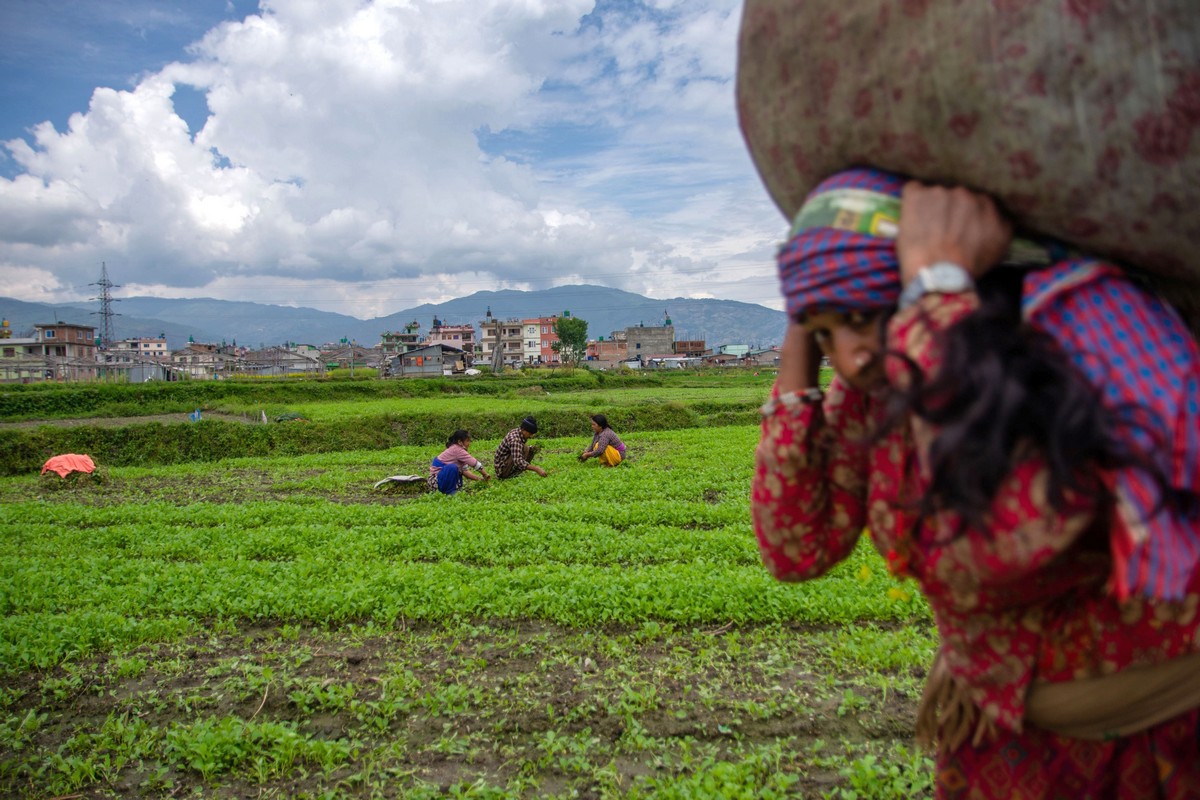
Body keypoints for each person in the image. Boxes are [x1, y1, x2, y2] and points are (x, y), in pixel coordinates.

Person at [751, 167, 1200, 798]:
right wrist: (806, 334)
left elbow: (994, 547)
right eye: (829, 336)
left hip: (1152, 746)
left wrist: (934, 292)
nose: (850, 358)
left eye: (859, 317)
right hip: (1001, 745)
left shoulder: (1052, 349)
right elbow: (796, 546)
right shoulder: (874, 396)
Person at [428, 429, 488, 495]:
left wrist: (480, 479)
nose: (469, 444)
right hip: (436, 481)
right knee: (452, 467)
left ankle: (452, 489)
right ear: (460, 442)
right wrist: (485, 474)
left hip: (441, 478)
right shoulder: (457, 450)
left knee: (457, 470)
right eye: (467, 441)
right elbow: (474, 463)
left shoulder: (458, 451)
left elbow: (465, 471)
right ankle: (450, 492)